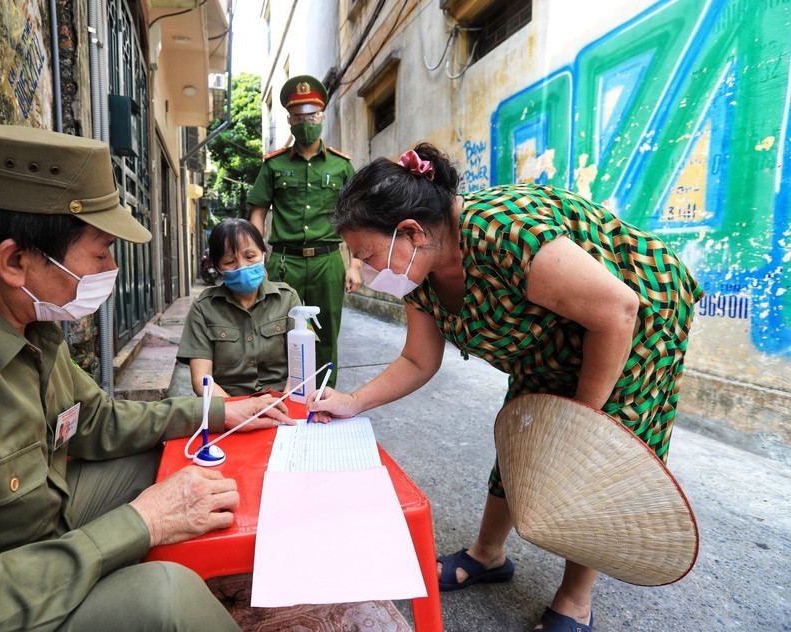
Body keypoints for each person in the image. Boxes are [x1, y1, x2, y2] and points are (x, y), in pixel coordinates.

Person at [0, 121, 294, 631]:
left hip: (35, 520)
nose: (112, 266)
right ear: (16, 260)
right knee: (164, 600)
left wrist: (217, 410)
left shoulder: (23, 310)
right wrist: (142, 522)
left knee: (179, 457)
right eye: (100, 252)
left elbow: (95, 420)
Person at [307, 143, 704, 632]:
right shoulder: (422, 270)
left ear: (409, 232)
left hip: (634, 322)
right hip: (552, 336)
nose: (365, 271)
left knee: (591, 457)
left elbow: (615, 311)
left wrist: (579, 426)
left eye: (366, 254)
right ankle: (488, 554)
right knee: (525, 436)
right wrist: (352, 401)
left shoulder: (505, 232)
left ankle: (575, 601)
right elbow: (418, 358)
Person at [247, 74, 362, 389]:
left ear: (322, 116)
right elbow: (258, 210)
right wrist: (257, 258)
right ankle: (284, 397)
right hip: (285, 262)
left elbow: (353, 218)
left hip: (328, 262)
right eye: (298, 116)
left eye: (311, 114)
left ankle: (325, 398)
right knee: (279, 331)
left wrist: (355, 264)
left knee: (326, 334)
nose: (305, 121)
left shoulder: (341, 167)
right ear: (289, 120)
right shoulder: (274, 165)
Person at [177, 218, 301, 397]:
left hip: (282, 402)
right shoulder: (203, 308)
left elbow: (301, 366)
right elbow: (201, 379)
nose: (242, 267)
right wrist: (236, 413)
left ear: (264, 254)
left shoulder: (288, 299)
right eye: (229, 262)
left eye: (250, 257)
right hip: (230, 406)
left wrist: (287, 403)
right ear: (218, 267)